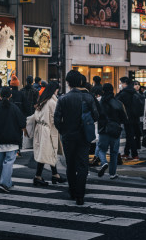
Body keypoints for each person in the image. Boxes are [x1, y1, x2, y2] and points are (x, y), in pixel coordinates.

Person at [54, 70, 99, 205]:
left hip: (68, 135)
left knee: (70, 164)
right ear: (80, 82)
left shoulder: (63, 98)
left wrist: (63, 130)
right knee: (82, 164)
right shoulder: (88, 97)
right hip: (84, 135)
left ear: (67, 83)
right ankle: (80, 195)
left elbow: (56, 119)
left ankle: (72, 191)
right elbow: (96, 115)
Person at [0, 86, 26, 192]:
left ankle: (4, 181)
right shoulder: (15, 108)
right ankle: (5, 183)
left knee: (1, 162)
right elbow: (22, 123)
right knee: (9, 161)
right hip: (12, 138)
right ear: (11, 96)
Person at [31, 81, 65, 186]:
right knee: (46, 152)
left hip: (40, 129)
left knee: (48, 152)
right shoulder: (52, 102)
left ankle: (55, 175)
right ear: (55, 90)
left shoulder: (43, 100)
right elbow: (56, 118)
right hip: (48, 130)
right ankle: (37, 176)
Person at [96, 83, 127, 180]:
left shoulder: (100, 102)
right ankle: (112, 173)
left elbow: (96, 115)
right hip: (115, 130)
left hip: (103, 129)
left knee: (102, 149)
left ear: (103, 91)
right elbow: (124, 118)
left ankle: (104, 162)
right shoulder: (118, 103)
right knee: (114, 152)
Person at [116, 77, 144, 160]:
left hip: (127, 117)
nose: (120, 85)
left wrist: (119, 91)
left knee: (130, 136)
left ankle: (134, 154)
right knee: (130, 136)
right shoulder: (133, 91)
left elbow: (116, 100)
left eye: (121, 83)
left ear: (125, 83)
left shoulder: (124, 93)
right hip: (135, 117)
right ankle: (126, 153)